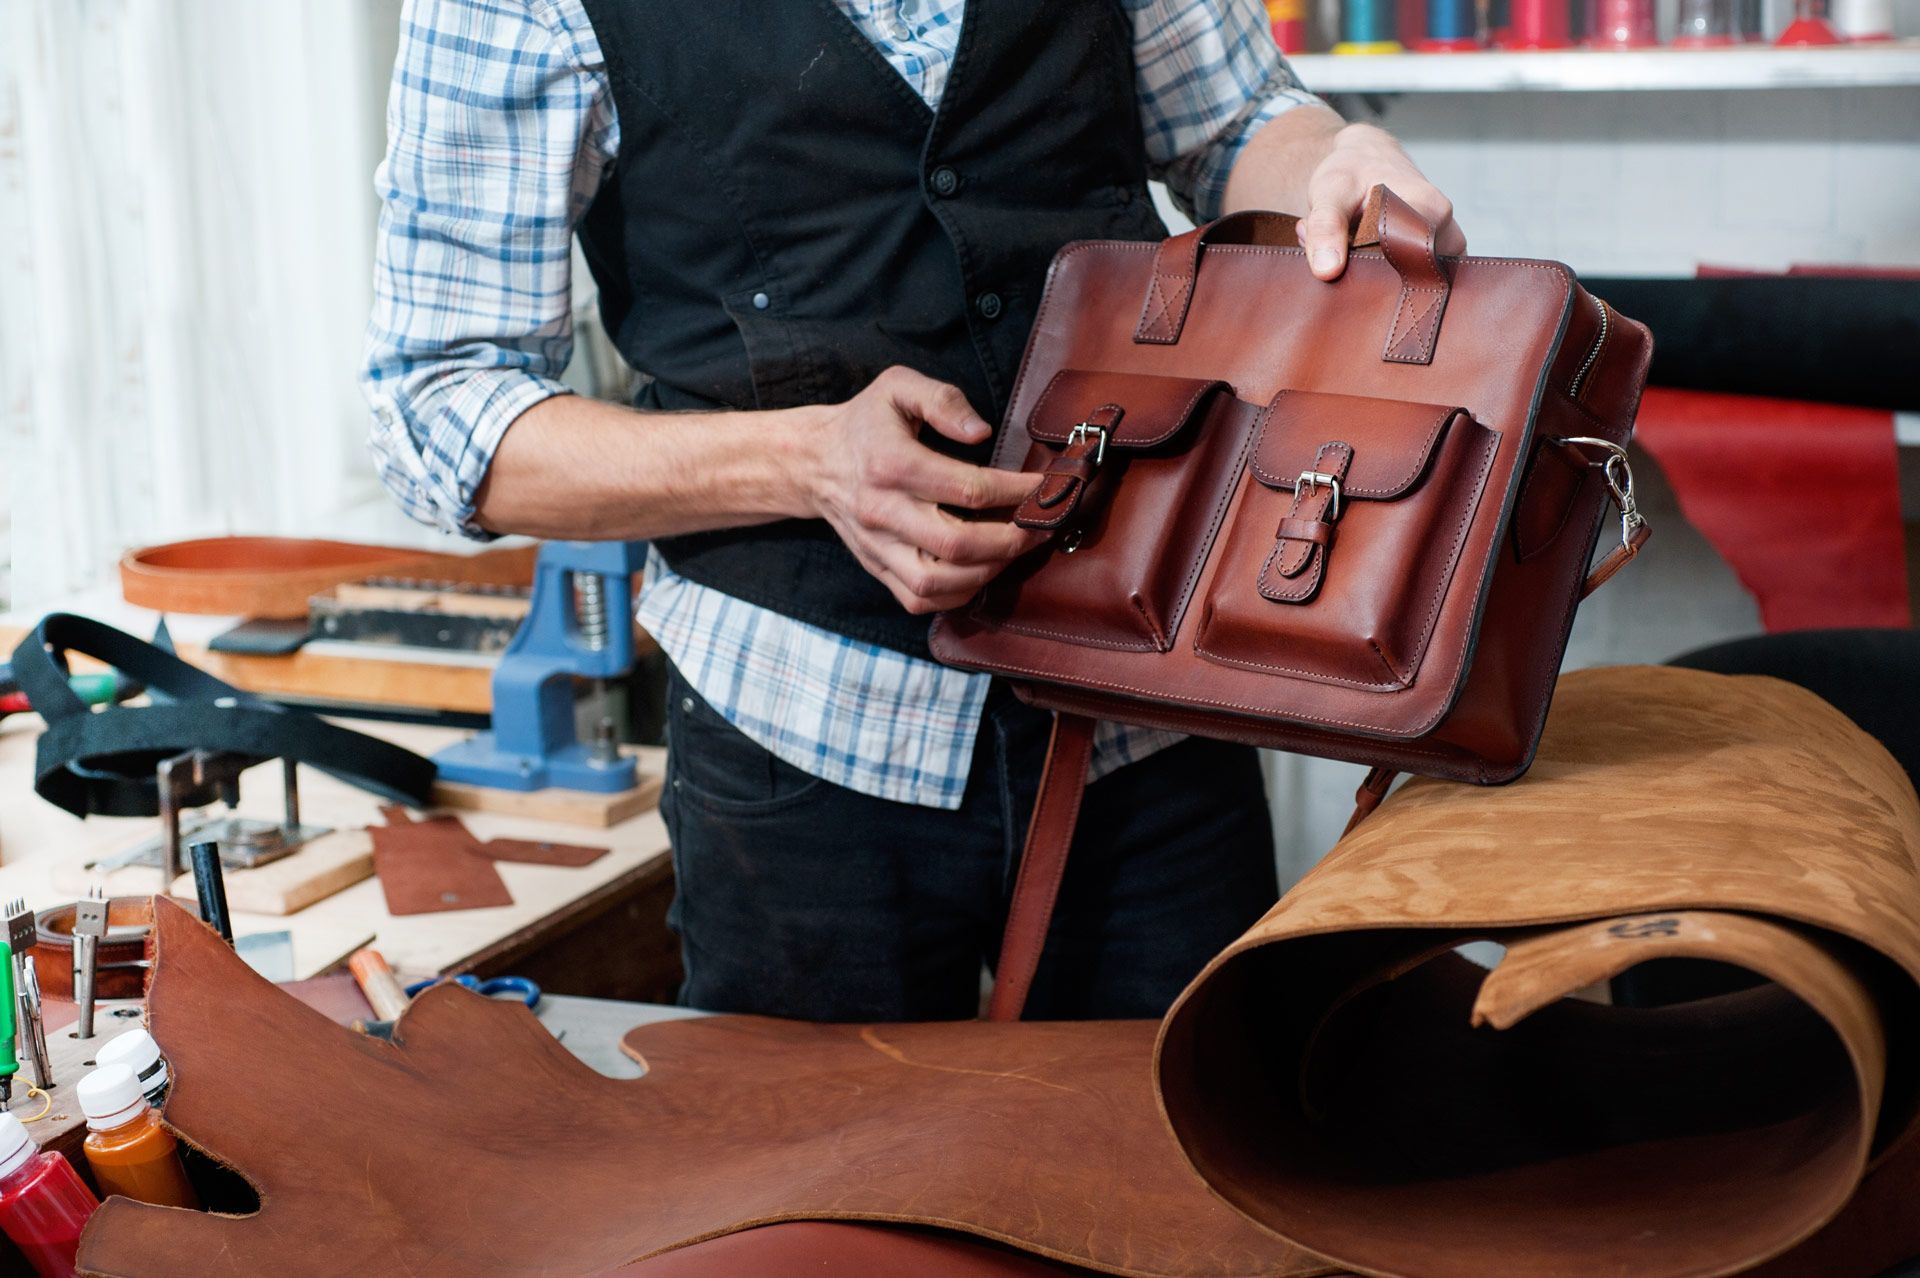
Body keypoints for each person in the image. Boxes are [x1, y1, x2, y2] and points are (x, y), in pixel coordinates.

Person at [362, 0, 1465, 1023]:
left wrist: (1334, 158)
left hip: (1150, 708)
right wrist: (802, 462)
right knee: (824, 1216)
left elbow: (1236, 125)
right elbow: (437, 408)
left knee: (1194, 1185)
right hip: (802, 748)